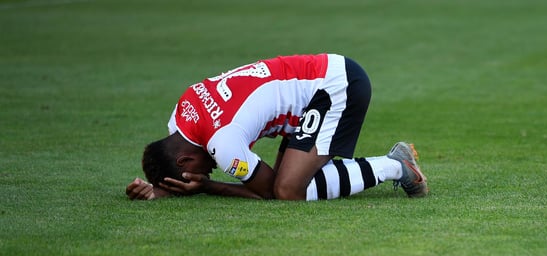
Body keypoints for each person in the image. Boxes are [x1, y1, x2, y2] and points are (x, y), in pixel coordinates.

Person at [126, 53, 428, 201]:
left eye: (198, 172)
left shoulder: (222, 142)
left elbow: (269, 191)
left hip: (335, 86)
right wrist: (158, 190)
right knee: (294, 178)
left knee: (288, 188)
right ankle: (383, 165)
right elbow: (173, 159)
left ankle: (396, 166)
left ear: (185, 161)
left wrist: (208, 187)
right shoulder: (180, 115)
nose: (210, 171)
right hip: (317, 81)